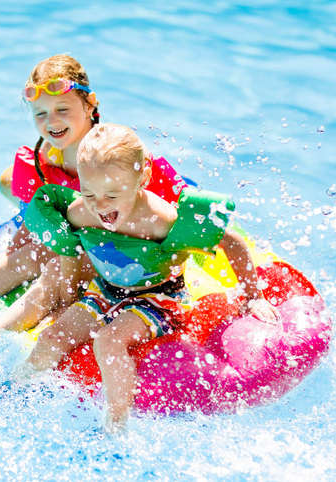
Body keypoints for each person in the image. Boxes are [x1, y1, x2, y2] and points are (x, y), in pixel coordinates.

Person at [20, 124, 279, 432]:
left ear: (142, 178)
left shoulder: (159, 219)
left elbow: (231, 242)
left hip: (158, 297)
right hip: (104, 290)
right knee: (51, 337)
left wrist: (253, 297)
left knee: (109, 342)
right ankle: (16, 393)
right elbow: (71, 251)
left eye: (112, 194)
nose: (100, 206)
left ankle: (115, 427)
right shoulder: (80, 211)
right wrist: (69, 298)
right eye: (89, 192)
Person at [0, 55, 186, 330]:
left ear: (90, 103)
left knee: (45, 252)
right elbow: (37, 216)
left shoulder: (116, 155)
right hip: (73, 236)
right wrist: (9, 251)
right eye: (40, 113)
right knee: (29, 234)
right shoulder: (46, 158)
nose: (52, 121)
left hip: (114, 248)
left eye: (62, 109)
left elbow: (169, 209)